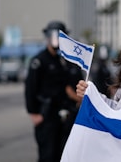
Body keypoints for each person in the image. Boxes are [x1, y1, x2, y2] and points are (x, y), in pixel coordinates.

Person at [24, 21, 83, 162]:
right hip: (48, 116)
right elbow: (30, 88)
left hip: (68, 116)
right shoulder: (39, 61)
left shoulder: (68, 61)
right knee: (48, 156)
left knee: (66, 155)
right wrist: (34, 114)